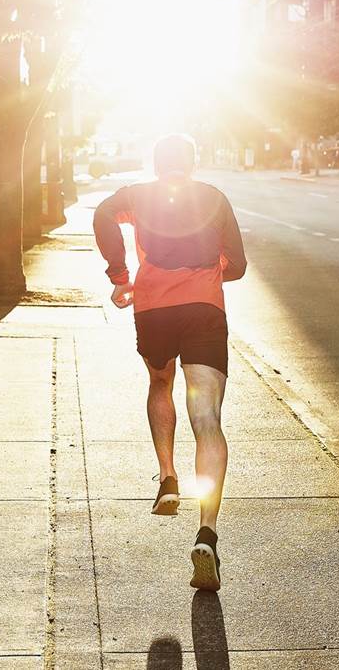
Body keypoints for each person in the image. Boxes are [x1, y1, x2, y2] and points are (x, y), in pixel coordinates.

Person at [92, 134, 247, 592]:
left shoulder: (138, 196)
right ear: (193, 163)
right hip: (203, 309)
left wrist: (120, 276)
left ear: (157, 164)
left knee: (160, 385)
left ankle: (168, 478)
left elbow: (102, 213)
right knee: (207, 418)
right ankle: (207, 533)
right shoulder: (215, 198)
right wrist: (211, 264)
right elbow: (237, 265)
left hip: (154, 308)